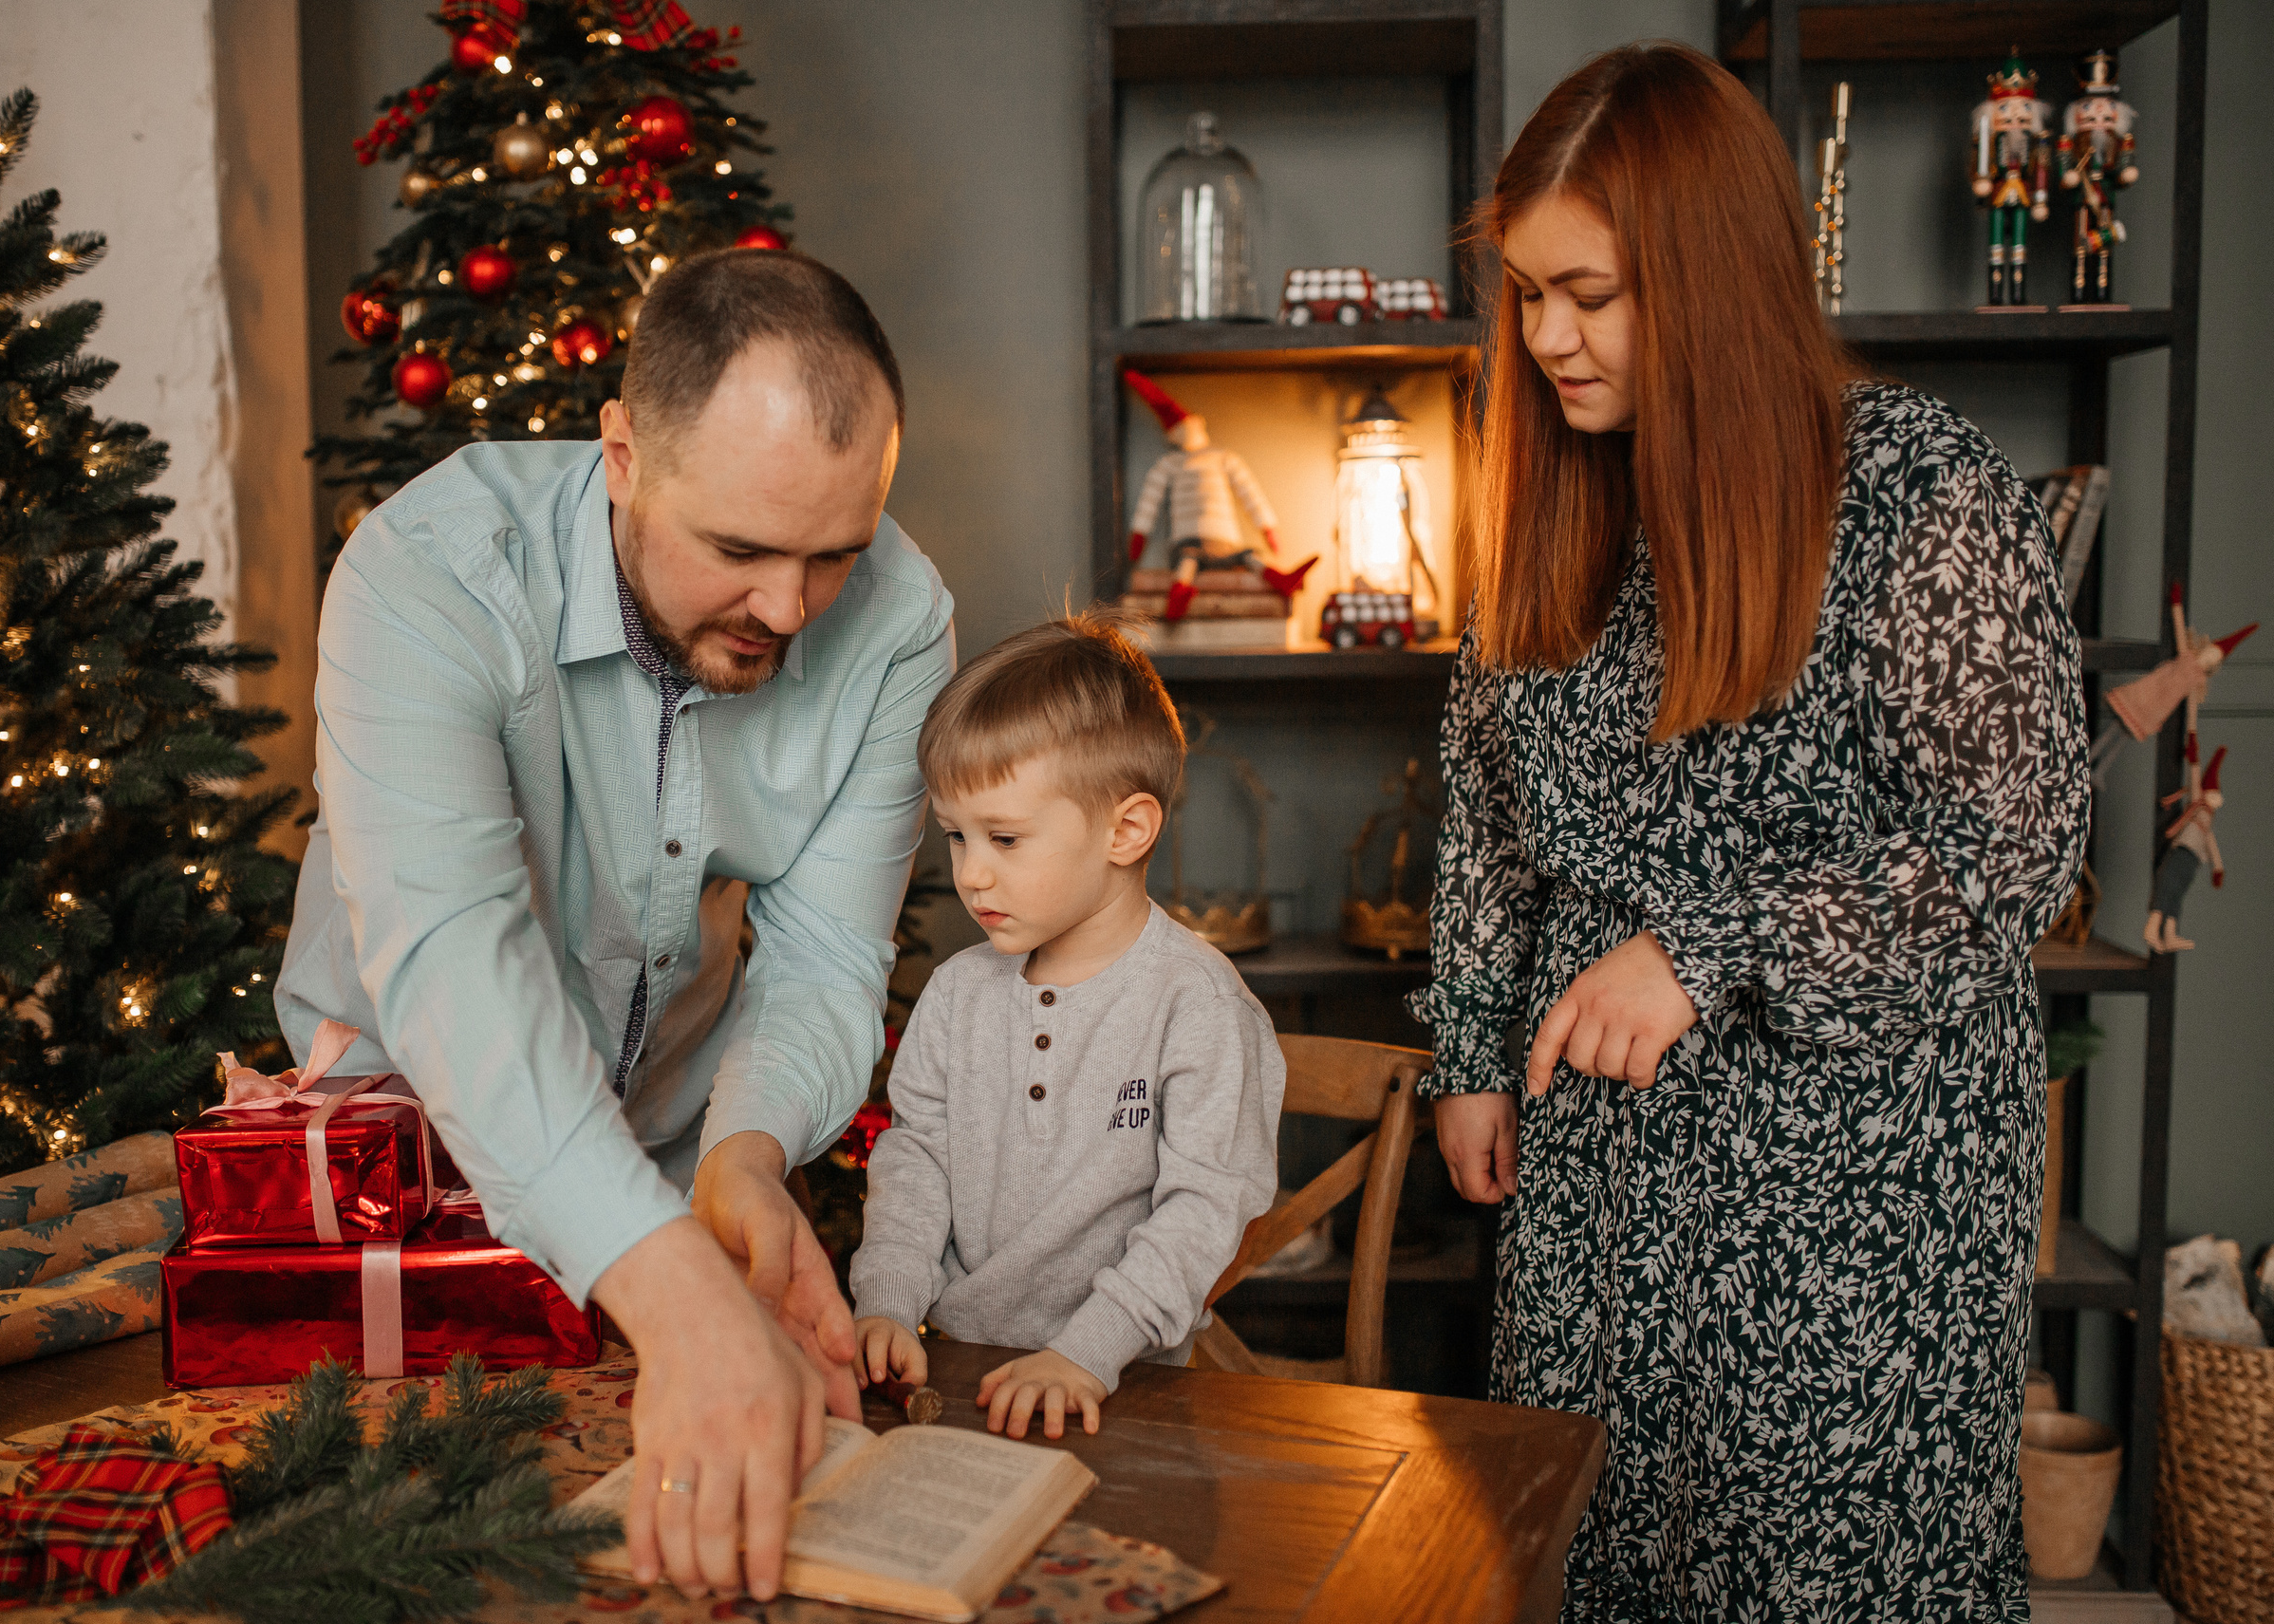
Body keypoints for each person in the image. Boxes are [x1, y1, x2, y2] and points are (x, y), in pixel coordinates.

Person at [1416, 45, 2088, 1620]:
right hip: (1598, 1172)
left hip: (1857, 1196)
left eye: (1589, 292)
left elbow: (2012, 840)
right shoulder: (1559, 497)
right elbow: (1491, 808)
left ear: (1707, 272)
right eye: (1525, 292)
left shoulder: (1918, 488)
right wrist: (1463, 1047)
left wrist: (1716, 948)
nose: (1547, 338)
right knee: (1588, 1559)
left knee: (1820, 1579)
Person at [274, 250, 956, 1603]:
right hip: (399, 1194)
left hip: (672, 1182)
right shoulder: (426, 570)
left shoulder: (900, 621)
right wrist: (679, 1288)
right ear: (626, 454)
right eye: (743, 549)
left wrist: (747, 1162)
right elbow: (457, 966)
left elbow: (826, 957)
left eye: (834, 554)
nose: (788, 609)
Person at [847, 614, 1284, 1440]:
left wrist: (1086, 1352)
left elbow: (1203, 1210)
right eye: (956, 836)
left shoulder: (1198, 1005)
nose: (971, 874)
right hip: (956, 1371)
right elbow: (916, 1161)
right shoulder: (957, 992)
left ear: (1126, 830)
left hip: (1123, 1389)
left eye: (1005, 838)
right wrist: (888, 1306)